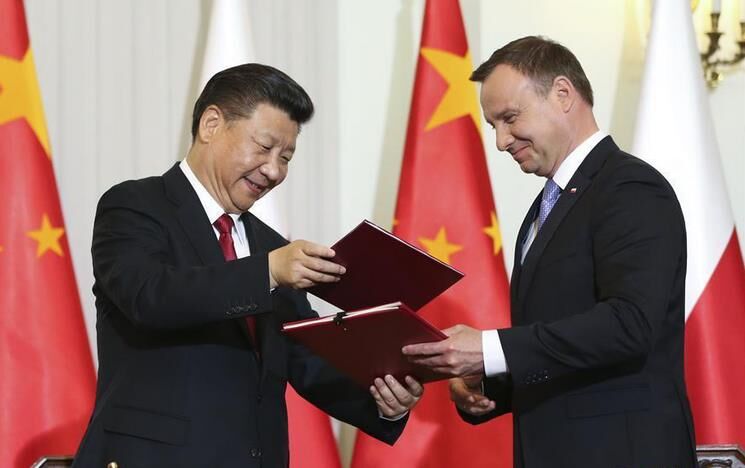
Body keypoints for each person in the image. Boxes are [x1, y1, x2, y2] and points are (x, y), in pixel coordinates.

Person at [72, 63, 422, 467]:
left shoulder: (271, 246)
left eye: (285, 157)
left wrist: (383, 401)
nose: (274, 170)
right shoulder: (135, 206)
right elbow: (150, 297)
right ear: (211, 124)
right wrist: (267, 272)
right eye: (264, 147)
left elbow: (305, 359)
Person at [403, 36, 696, 467]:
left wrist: (490, 348)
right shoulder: (548, 205)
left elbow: (630, 325)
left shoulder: (630, 187)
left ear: (562, 94)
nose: (501, 141)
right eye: (493, 126)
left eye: (509, 118)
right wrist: (491, 382)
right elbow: (566, 345)